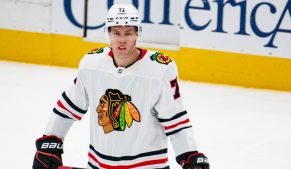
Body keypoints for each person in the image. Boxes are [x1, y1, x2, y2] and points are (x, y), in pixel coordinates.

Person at [32, 3, 209, 169]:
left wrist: (189, 154)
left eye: (128, 33)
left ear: (137, 33)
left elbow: (175, 121)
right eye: (116, 33)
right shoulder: (91, 65)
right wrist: (50, 142)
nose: (122, 40)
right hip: (99, 164)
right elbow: (67, 108)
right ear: (107, 33)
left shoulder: (160, 70)